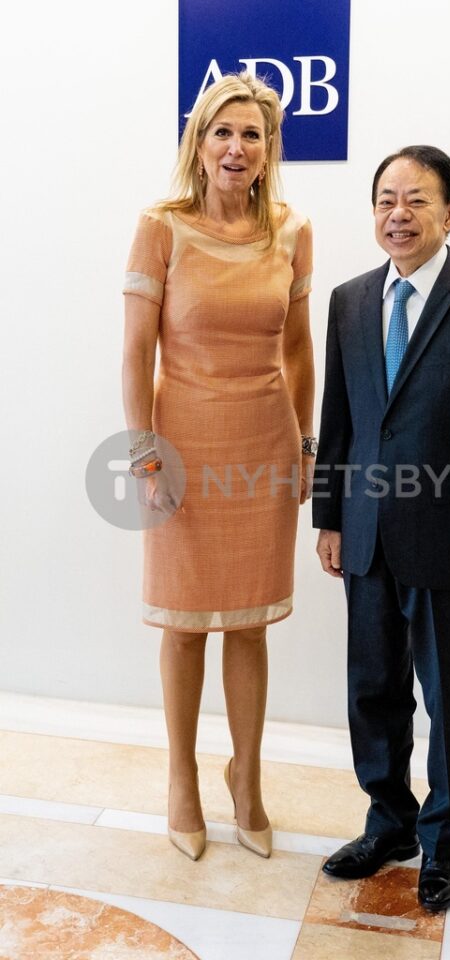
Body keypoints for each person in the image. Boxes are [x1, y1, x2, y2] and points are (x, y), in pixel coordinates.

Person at [313, 145, 450, 911]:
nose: (397, 215)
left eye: (416, 200)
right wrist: (329, 516)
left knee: (448, 701)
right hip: (365, 534)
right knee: (373, 691)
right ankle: (389, 824)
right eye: (385, 200)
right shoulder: (348, 300)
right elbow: (339, 420)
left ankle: (444, 845)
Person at [122, 73, 315, 862]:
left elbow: (298, 349)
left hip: (264, 445)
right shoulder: (160, 227)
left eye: (252, 135)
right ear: (198, 144)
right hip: (183, 449)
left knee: (248, 622)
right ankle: (181, 778)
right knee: (182, 624)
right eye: (222, 132)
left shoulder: (293, 231)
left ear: (269, 150)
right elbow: (136, 351)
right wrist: (143, 451)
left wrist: (307, 444)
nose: (237, 147)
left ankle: (246, 777)